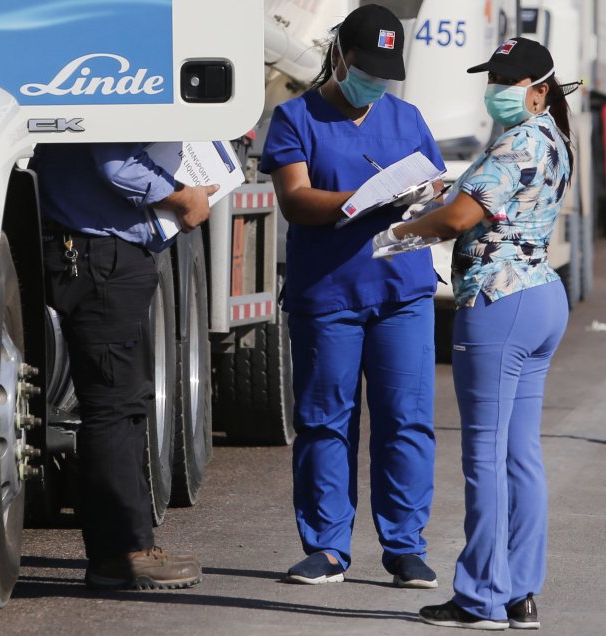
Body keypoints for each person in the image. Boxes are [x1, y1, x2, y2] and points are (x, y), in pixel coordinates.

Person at [375, 37, 576, 630]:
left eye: (510, 82)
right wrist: (450, 192)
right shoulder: (551, 139)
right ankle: (518, 593)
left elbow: (464, 218)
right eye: (494, 79)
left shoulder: (517, 141)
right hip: (540, 296)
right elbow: (487, 199)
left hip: (499, 301)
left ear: (540, 91)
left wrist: (401, 234)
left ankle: (480, 598)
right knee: (520, 455)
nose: (497, 91)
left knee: (484, 457)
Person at [258, 4, 445, 588]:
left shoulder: (408, 118)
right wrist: (356, 200)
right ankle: (327, 547)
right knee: (324, 420)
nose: (376, 83)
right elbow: (294, 199)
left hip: (402, 293)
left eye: (386, 74)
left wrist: (425, 191)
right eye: (367, 69)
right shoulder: (295, 118)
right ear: (340, 57)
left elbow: (433, 185)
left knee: (407, 421)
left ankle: (405, 546)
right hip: (328, 296)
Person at [33, 142, 216, 590]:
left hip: (92, 251)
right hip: (99, 254)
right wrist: (182, 196)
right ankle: (122, 553)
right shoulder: (121, 85)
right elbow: (117, 163)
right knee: (115, 408)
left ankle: (124, 548)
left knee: (118, 406)